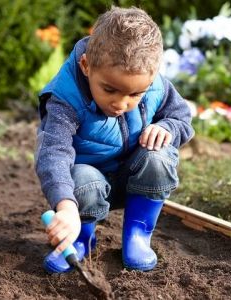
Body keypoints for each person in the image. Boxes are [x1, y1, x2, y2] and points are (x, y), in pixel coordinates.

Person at [35, 6, 194, 273]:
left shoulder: (154, 83)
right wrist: (66, 207)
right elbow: (53, 153)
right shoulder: (66, 99)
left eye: (135, 94)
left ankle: (138, 236)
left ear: (151, 78)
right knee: (83, 175)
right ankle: (81, 239)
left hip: (137, 179)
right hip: (87, 189)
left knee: (159, 154)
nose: (122, 103)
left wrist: (169, 127)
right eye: (109, 89)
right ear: (86, 65)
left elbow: (182, 119)